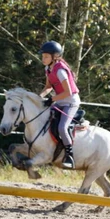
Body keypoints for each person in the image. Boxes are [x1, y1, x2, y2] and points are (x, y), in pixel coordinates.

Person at [39, 40, 80, 169]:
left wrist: (52, 99)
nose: (43, 59)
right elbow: (48, 87)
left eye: (46, 56)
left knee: (62, 127)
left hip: (71, 102)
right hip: (60, 101)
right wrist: (38, 98)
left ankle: (69, 155)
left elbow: (67, 92)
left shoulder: (60, 71)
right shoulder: (48, 69)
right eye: (43, 56)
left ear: (54, 57)